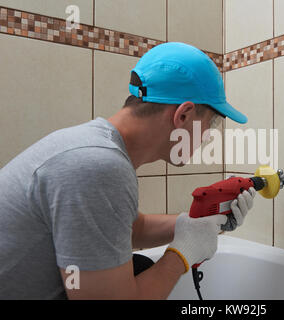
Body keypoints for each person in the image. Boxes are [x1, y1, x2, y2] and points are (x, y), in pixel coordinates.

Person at [0, 42, 255, 299]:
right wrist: (182, 253)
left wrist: (195, 223)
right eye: (211, 122)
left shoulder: (93, 147)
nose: (208, 136)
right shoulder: (97, 165)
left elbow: (132, 228)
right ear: (184, 115)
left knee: (138, 268)